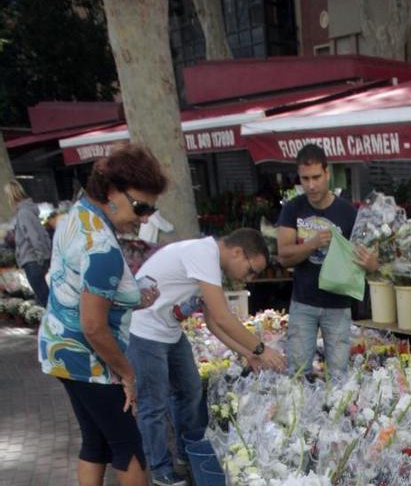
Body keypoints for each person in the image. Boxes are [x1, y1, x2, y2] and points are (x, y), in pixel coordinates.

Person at [38, 144, 167, 486]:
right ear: (112, 192)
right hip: (91, 359)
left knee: (95, 442)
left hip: (61, 348)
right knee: (129, 447)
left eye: (150, 209)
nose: (143, 218)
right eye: (140, 207)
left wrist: (131, 297)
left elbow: (76, 284)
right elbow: (94, 325)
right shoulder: (103, 247)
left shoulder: (78, 214)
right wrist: (127, 374)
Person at [127, 228, 286, 486]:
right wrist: (261, 349)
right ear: (237, 252)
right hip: (145, 332)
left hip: (169, 332)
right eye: (250, 270)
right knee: (153, 405)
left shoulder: (209, 262)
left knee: (189, 390)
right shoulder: (203, 253)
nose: (249, 278)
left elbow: (213, 322)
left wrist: (248, 354)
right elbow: (223, 316)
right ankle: (160, 470)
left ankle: (185, 453)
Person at [276, 144, 377, 379]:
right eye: (305, 179)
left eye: (316, 177)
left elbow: (371, 259)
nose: (311, 185)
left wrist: (371, 264)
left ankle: (336, 415)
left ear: (327, 173)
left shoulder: (349, 212)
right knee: (298, 373)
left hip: (339, 305)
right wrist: (312, 244)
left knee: (340, 375)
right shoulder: (293, 208)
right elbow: (283, 256)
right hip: (303, 302)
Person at [5, 180, 52, 306]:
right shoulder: (27, 211)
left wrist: (41, 259)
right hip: (35, 260)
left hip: (33, 261)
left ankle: (54, 324)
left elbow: (34, 237)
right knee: (45, 296)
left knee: (44, 299)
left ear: (12, 196)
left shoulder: (24, 213)